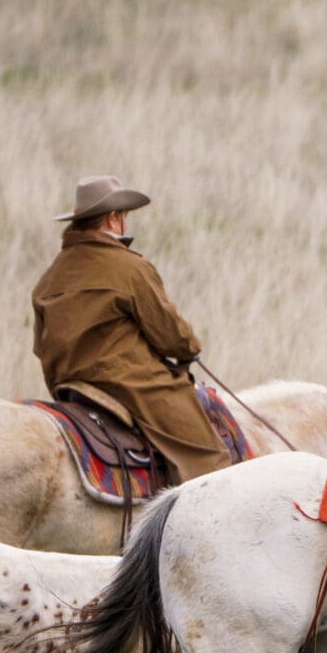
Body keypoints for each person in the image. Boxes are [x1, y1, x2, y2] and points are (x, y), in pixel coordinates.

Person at [31, 175, 231, 483]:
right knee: (210, 458)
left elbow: (40, 348)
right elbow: (170, 336)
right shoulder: (129, 267)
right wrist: (190, 347)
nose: (124, 221)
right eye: (123, 215)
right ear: (113, 219)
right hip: (127, 384)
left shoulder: (50, 277)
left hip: (68, 386)